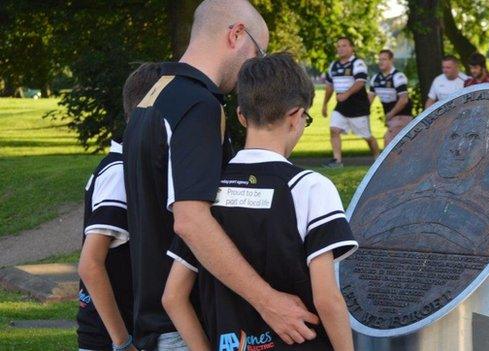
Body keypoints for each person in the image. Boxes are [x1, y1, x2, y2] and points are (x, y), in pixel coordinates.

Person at [123, 1, 319, 350]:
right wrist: (269, 301)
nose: (255, 68)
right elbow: (191, 221)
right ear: (236, 34)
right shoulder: (199, 106)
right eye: (258, 54)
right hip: (184, 327)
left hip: (152, 320)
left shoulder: (154, 97)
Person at [164, 53, 358, 351]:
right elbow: (327, 299)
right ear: (296, 115)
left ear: (241, 116)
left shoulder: (204, 194)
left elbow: (173, 297)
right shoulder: (310, 187)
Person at [77, 62, 162, 351]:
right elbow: (90, 264)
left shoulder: (126, 166)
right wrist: (122, 342)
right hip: (109, 337)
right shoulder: (119, 173)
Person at [322, 37, 380, 168]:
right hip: (341, 107)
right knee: (334, 129)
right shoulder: (334, 65)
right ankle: (337, 161)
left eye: (344, 45)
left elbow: (360, 82)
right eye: (338, 46)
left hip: (358, 108)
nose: (340, 48)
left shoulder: (358, 63)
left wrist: (346, 94)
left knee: (367, 137)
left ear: (351, 48)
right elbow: (329, 86)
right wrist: (325, 104)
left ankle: (379, 159)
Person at [369, 49, 413, 146]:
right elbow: (369, 99)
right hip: (391, 118)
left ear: (391, 60)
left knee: (388, 141)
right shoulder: (375, 78)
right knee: (397, 146)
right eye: (379, 59)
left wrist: (390, 114)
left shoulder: (398, 77)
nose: (381, 62)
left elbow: (404, 100)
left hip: (401, 116)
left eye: (384, 59)